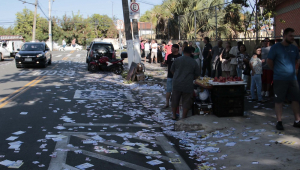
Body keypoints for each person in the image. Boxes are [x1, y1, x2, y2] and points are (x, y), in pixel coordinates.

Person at [267, 28, 300, 130]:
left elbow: (297, 60)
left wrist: (295, 70)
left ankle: (297, 120)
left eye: (293, 36)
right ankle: (279, 121)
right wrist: (277, 70)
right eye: (290, 36)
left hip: (292, 79)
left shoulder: (294, 48)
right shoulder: (276, 47)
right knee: (279, 100)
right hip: (279, 78)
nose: (292, 38)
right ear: (284, 36)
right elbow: (269, 61)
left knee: (295, 99)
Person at [171, 47, 201, 120]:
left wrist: (177, 76)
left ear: (183, 52)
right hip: (187, 84)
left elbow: (172, 70)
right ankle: (184, 117)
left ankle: (174, 115)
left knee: (175, 99)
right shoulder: (193, 62)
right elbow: (197, 75)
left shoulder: (177, 59)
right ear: (191, 52)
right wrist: (191, 78)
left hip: (177, 83)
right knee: (186, 101)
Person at [163, 44, 181, 109]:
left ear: (177, 49)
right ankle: (167, 103)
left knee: (176, 91)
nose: (171, 49)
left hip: (178, 77)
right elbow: (167, 64)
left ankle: (176, 104)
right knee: (169, 90)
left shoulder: (180, 56)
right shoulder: (169, 56)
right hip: (170, 76)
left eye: (173, 48)